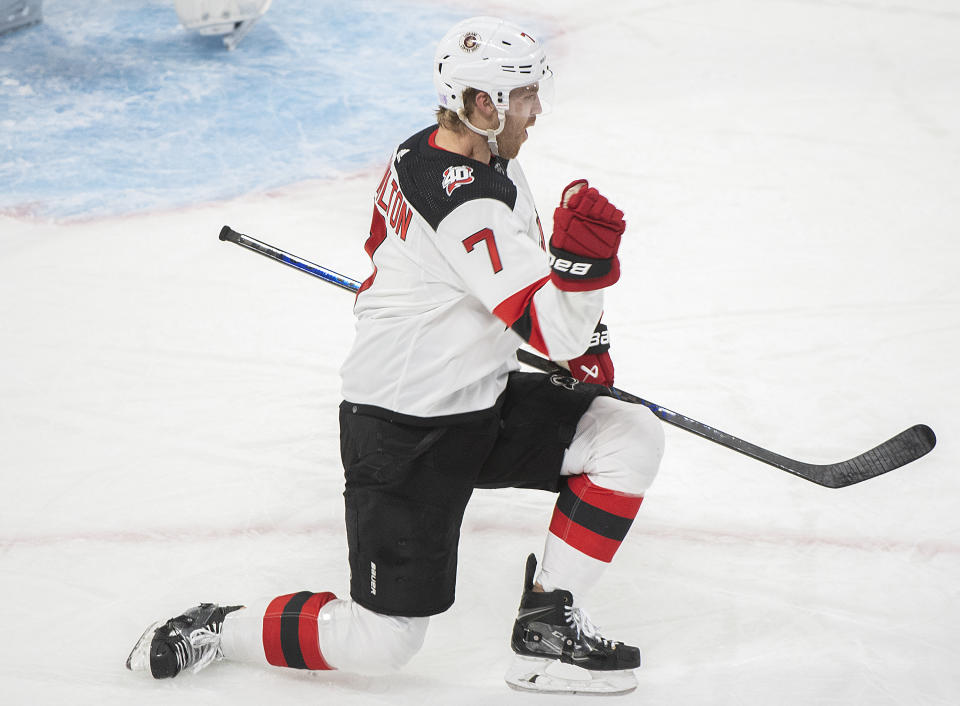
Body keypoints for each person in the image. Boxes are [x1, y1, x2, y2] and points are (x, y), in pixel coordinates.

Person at [126, 16, 664, 695]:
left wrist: (575, 340)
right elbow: (546, 326)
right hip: (403, 429)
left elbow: (477, 283)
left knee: (627, 436)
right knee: (381, 643)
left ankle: (547, 632)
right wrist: (583, 282)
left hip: (481, 400)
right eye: (523, 94)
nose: (536, 108)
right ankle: (216, 627)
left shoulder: (446, 155)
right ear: (481, 105)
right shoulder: (467, 201)